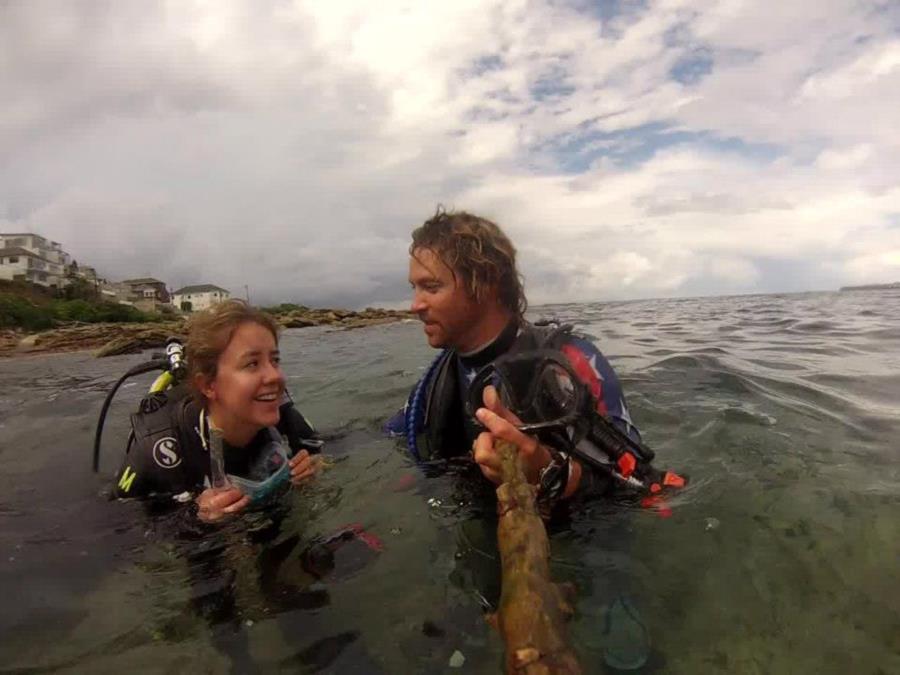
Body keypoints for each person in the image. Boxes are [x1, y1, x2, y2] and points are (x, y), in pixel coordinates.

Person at [385, 208, 671, 671]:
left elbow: (642, 479)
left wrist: (549, 467)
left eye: (431, 287)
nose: (415, 304)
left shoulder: (570, 361)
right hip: (480, 537)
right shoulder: (436, 382)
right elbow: (386, 437)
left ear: (485, 284)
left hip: (589, 540)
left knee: (627, 658)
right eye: (414, 288)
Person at [113, 299, 324, 522]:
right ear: (208, 385)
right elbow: (118, 529)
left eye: (275, 360)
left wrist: (315, 467)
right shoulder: (159, 449)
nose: (275, 376)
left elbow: (331, 449)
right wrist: (194, 517)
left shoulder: (284, 416)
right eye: (252, 364)